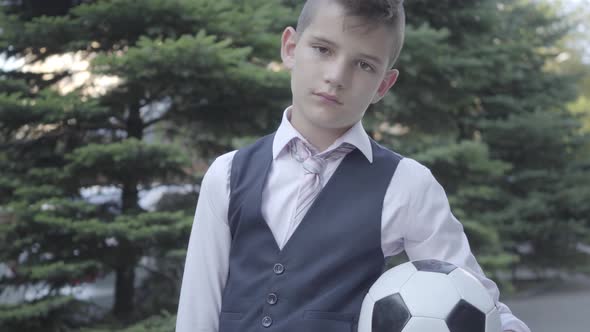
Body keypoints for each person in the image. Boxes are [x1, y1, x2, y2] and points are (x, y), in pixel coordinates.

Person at [176, 1, 531, 331]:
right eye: (323, 49)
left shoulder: (406, 184)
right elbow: (197, 310)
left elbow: (474, 298)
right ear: (290, 48)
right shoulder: (227, 174)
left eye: (364, 65)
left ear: (384, 85)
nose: (337, 76)